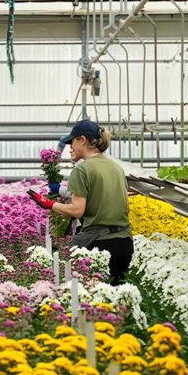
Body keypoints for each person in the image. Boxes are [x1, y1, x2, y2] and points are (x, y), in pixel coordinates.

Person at [27, 120, 133, 285]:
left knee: (91, 296)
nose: (71, 147)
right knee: (119, 295)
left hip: (100, 245)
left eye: (72, 142)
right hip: (125, 243)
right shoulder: (116, 168)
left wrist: (49, 204)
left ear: (82, 140)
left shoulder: (82, 169)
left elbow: (77, 210)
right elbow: (125, 205)